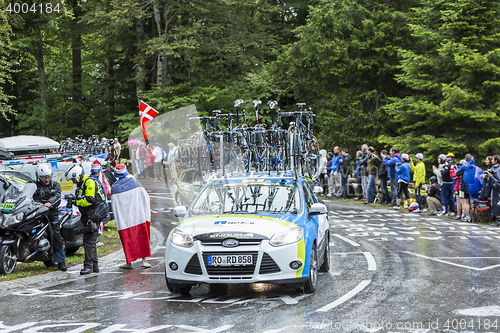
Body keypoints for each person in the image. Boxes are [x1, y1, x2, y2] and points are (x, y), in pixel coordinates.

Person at [65, 164, 108, 275]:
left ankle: (88, 267)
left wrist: (75, 201)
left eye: (74, 179)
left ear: (78, 176)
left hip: (95, 215)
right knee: (90, 241)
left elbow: (89, 200)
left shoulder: (89, 182)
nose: (73, 182)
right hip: (90, 215)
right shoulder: (82, 184)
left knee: (88, 241)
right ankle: (94, 266)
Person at [111, 164, 151, 269]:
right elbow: (145, 197)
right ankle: (144, 261)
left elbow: (115, 206)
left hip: (125, 219)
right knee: (142, 237)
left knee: (127, 239)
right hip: (138, 215)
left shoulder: (115, 187)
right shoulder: (135, 183)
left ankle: (129, 262)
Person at [33, 164, 67, 271]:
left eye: (48, 177)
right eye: (44, 177)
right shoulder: (34, 185)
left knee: (56, 235)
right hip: (37, 213)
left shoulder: (55, 185)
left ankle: (61, 261)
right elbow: (26, 194)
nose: (46, 179)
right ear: (38, 177)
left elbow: (57, 197)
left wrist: (50, 203)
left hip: (51, 214)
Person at [484, 155, 500, 226]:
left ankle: (498, 220)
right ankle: (497, 219)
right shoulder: (493, 168)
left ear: (496, 161)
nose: (491, 161)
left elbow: (498, 181)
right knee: (494, 203)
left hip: (497, 189)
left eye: (493, 159)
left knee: (496, 204)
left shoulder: (498, 169)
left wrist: (491, 176)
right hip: (493, 188)